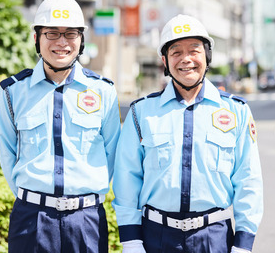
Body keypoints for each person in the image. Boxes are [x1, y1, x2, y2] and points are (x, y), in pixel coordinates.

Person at [112, 14, 263, 253]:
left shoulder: (237, 111)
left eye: (194, 50)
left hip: (214, 238)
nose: (186, 60)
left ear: (207, 56)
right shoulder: (141, 113)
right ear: (165, 60)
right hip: (156, 237)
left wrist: (243, 245)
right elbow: (127, 179)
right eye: (176, 52)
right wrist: (131, 241)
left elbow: (248, 180)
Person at [0, 0, 121, 253]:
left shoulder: (103, 91)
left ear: (81, 40)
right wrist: (34, 199)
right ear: (36, 38)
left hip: (87, 221)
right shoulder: (12, 92)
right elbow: (7, 153)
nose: (62, 42)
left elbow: (112, 153)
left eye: (70, 34)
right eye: (52, 33)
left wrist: (85, 197)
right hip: (32, 220)